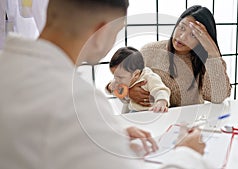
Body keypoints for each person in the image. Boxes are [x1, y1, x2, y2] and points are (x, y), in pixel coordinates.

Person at [0, 0, 209, 169]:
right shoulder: (76, 102)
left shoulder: (9, 63)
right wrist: (187, 154)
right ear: (100, 33)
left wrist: (105, 134)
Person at [129, 5, 232, 107]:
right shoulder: (149, 51)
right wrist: (128, 92)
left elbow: (218, 97)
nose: (182, 37)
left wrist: (213, 54)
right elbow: (118, 81)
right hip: (152, 119)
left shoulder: (205, 61)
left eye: (193, 35)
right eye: (182, 27)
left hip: (187, 121)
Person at [106, 47, 170, 113]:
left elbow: (161, 90)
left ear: (136, 74)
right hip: (133, 112)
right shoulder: (123, 79)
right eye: (114, 76)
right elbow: (116, 91)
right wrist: (110, 87)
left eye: (120, 77)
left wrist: (161, 101)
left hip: (151, 111)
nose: (117, 80)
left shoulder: (149, 77)